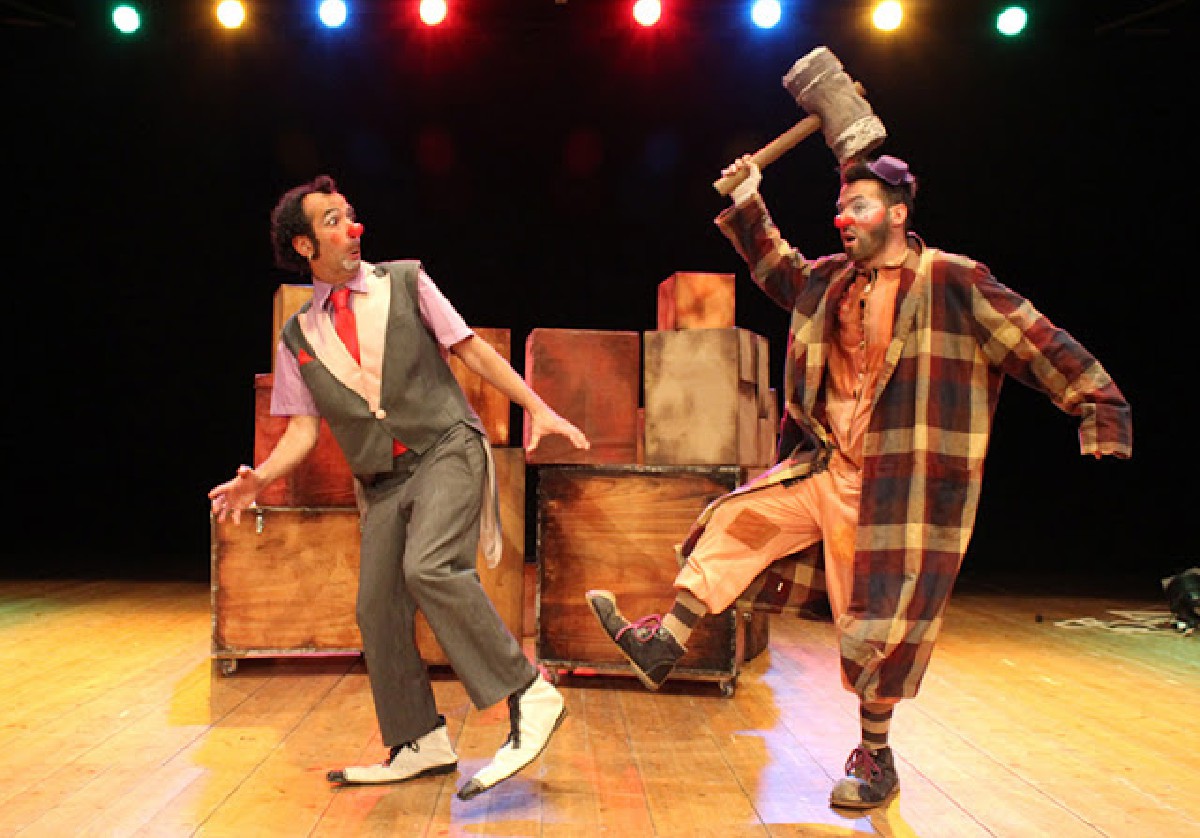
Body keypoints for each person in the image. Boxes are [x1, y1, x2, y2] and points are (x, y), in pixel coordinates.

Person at [586, 153, 1131, 809]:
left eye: (860, 206)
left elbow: (1035, 339)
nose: (844, 218)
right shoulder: (832, 282)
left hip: (895, 491)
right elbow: (777, 270)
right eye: (841, 207)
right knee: (734, 521)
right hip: (825, 467)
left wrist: (1100, 409)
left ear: (898, 215)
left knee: (870, 628)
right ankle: (663, 645)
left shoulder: (951, 281)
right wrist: (750, 199)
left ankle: (876, 759)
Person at [209, 174, 590, 801]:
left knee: (430, 567)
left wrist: (536, 407)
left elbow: (469, 349)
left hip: (446, 448)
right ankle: (419, 740)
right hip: (383, 482)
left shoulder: (406, 282)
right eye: (332, 220)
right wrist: (262, 478)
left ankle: (529, 692)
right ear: (304, 245)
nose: (351, 227)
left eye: (350, 215)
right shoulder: (297, 337)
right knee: (377, 607)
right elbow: (303, 430)